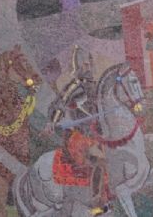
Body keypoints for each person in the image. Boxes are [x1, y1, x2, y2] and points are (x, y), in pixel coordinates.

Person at [46, 46, 108, 215]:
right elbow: (59, 103)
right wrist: (52, 121)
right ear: (78, 66)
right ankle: (96, 204)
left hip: (98, 135)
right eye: (84, 64)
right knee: (99, 161)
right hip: (79, 136)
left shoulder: (97, 85)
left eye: (89, 63)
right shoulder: (74, 86)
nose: (88, 66)